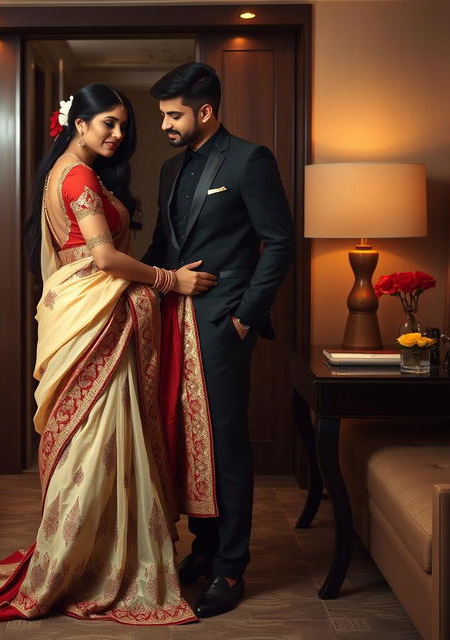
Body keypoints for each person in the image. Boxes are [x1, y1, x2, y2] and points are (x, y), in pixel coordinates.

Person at [0, 83, 217, 626]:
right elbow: (102, 258)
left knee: (96, 436)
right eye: (108, 125)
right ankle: (90, 561)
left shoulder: (64, 174)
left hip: (84, 314)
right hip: (95, 315)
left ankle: (91, 553)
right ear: (78, 125)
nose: (119, 135)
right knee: (98, 434)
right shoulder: (77, 177)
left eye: (124, 126)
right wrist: (171, 280)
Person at [143, 63, 294, 618]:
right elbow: (164, 244)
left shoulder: (250, 160)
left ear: (205, 111)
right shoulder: (168, 169)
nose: (165, 124)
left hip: (222, 324)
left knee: (226, 444)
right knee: (186, 438)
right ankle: (205, 550)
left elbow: (279, 244)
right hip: (171, 320)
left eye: (173, 114)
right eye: (163, 115)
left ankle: (232, 565)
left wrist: (244, 318)